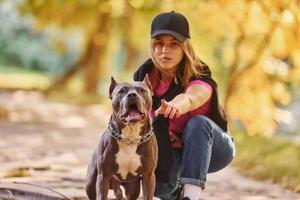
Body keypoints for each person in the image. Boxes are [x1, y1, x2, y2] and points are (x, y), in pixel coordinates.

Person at [134, 11, 235, 200]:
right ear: (153, 46)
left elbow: (192, 98)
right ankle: (175, 193)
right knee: (160, 191)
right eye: (159, 43)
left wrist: (175, 106)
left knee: (197, 123)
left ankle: (191, 195)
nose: (165, 50)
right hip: (172, 148)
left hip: (215, 148)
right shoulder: (144, 76)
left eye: (174, 44)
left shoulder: (199, 72)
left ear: (184, 48)